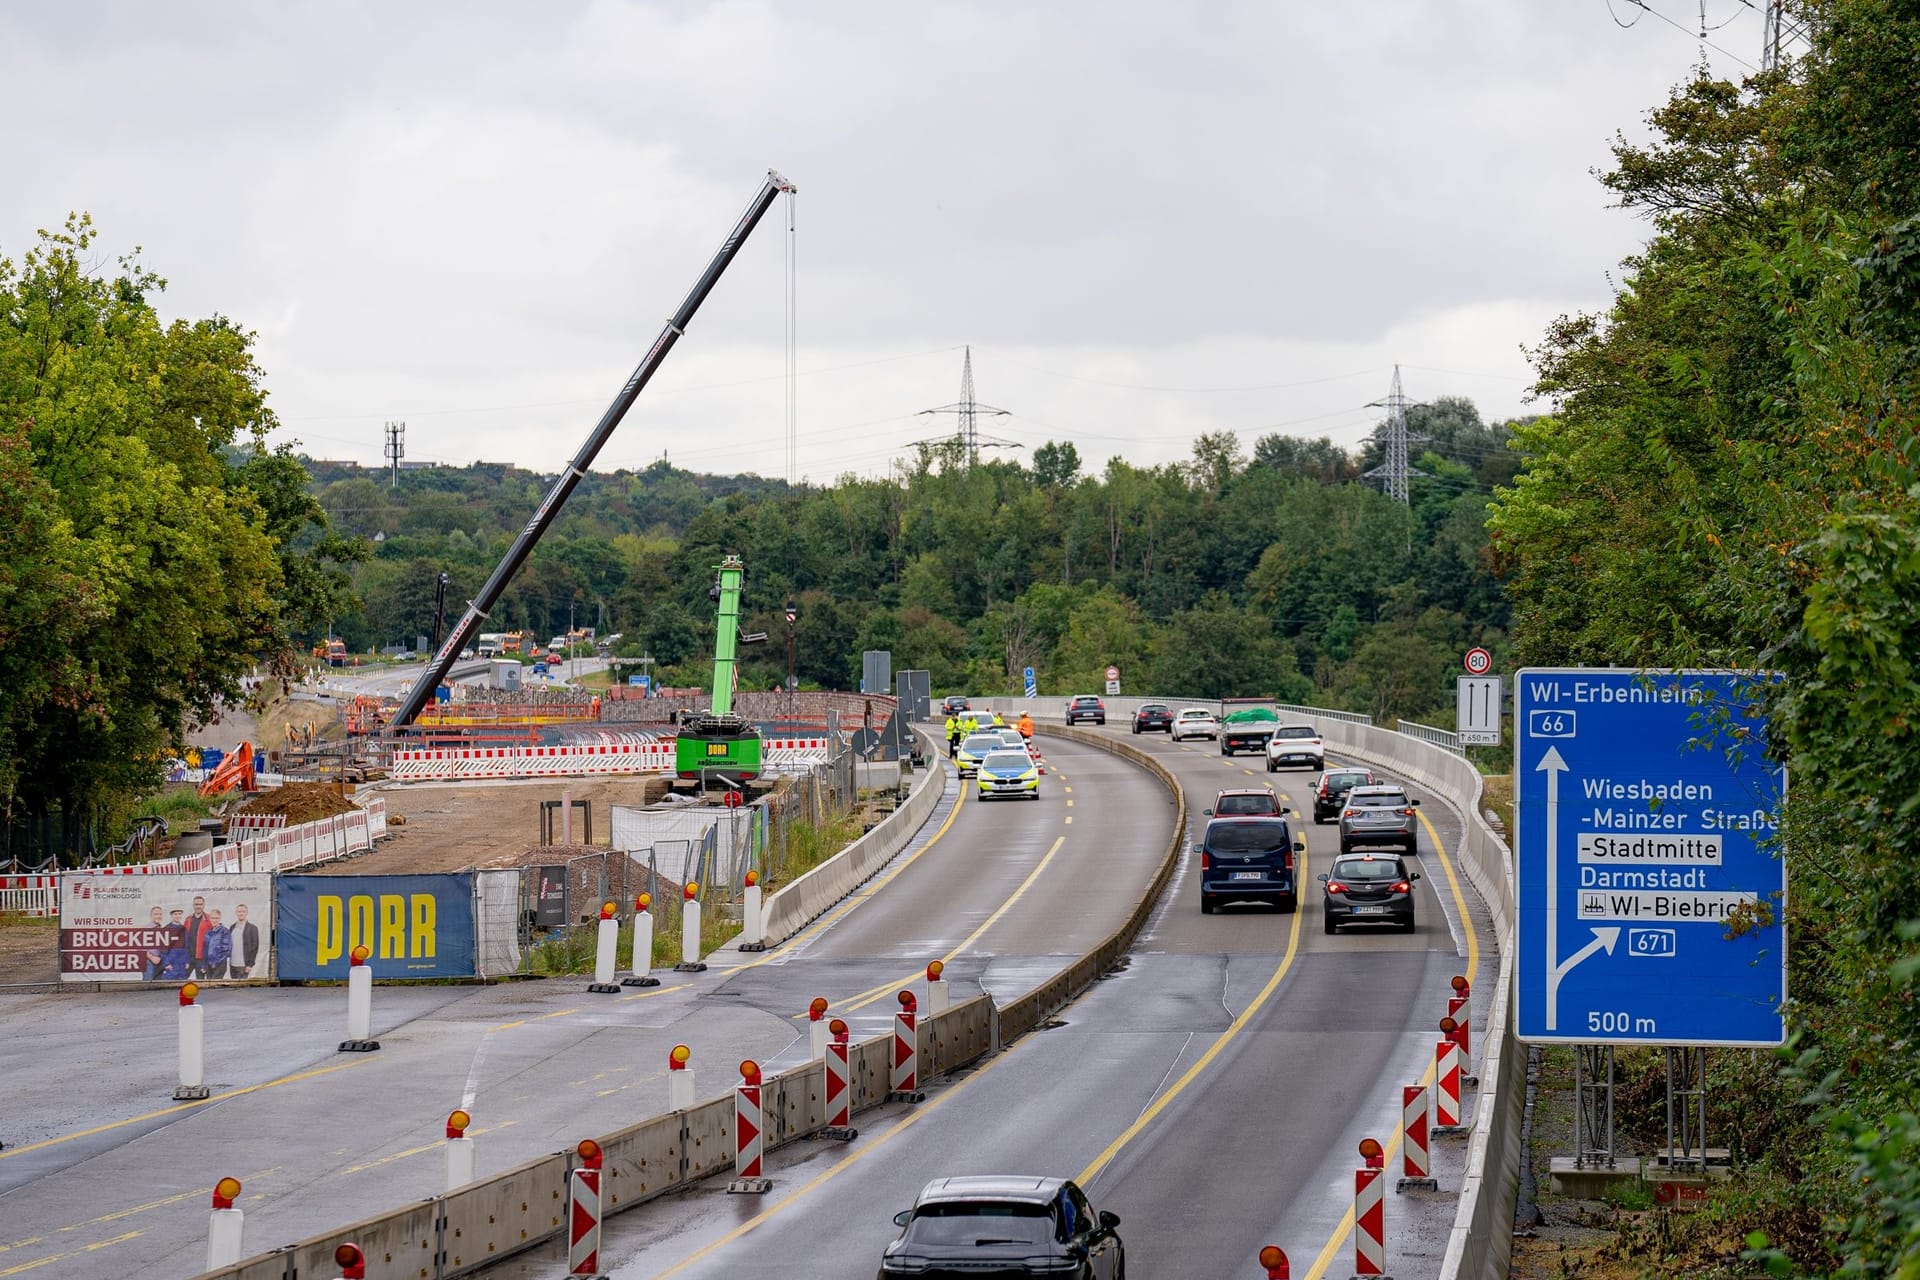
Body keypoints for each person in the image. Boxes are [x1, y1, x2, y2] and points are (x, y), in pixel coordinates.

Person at [183, 895, 216, 979]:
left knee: (200, 981)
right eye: (196, 904)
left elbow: (214, 940)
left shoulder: (209, 919)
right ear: (193, 905)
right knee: (182, 978)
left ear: (204, 905)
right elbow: (184, 939)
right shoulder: (188, 919)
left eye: (200, 904)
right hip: (189, 957)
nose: (198, 906)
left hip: (201, 958)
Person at [227, 902, 260, 979]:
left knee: (241, 989)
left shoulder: (252, 928)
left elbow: (255, 947)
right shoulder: (232, 927)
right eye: (239, 911)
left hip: (244, 965)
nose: (241, 913)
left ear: (247, 913)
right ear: (236, 913)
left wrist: (250, 965)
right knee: (233, 988)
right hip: (232, 965)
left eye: (243, 911)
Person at [161, 910, 190, 981]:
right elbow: (162, 949)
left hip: (182, 964)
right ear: (171, 916)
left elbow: (186, 946)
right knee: (169, 986)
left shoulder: (184, 929)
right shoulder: (166, 929)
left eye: (179, 914)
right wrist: (166, 963)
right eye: (175, 914)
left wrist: (187, 961)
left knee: (181, 986)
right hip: (171, 964)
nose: (177, 916)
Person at [204, 908, 232, 980]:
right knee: (209, 985)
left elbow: (226, 950)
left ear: (220, 919)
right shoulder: (208, 932)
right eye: (212, 918)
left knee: (215, 986)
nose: (214, 920)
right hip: (209, 965)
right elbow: (205, 950)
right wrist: (203, 965)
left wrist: (215, 962)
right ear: (210, 919)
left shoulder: (224, 931)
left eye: (216, 918)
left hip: (219, 965)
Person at [141, 906, 166, 981]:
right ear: (151, 916)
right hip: (148, 961)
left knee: (158, 985)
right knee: (148, 984)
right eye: (156, 914)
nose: (158, 916)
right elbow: (140, 948)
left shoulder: (161, 929)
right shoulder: (146, 929)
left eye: (160, 914)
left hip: (159, 961)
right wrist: (152, 958)